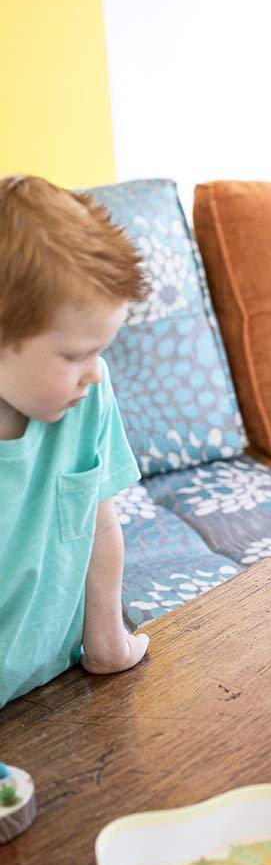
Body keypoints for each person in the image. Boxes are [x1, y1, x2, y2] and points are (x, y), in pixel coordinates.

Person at [0, 175, 150, 707]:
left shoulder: (90, 394)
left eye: (100, 350)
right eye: (73, 355)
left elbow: (96, 519)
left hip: (57, 684)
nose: (94, 372)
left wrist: (106, 640)